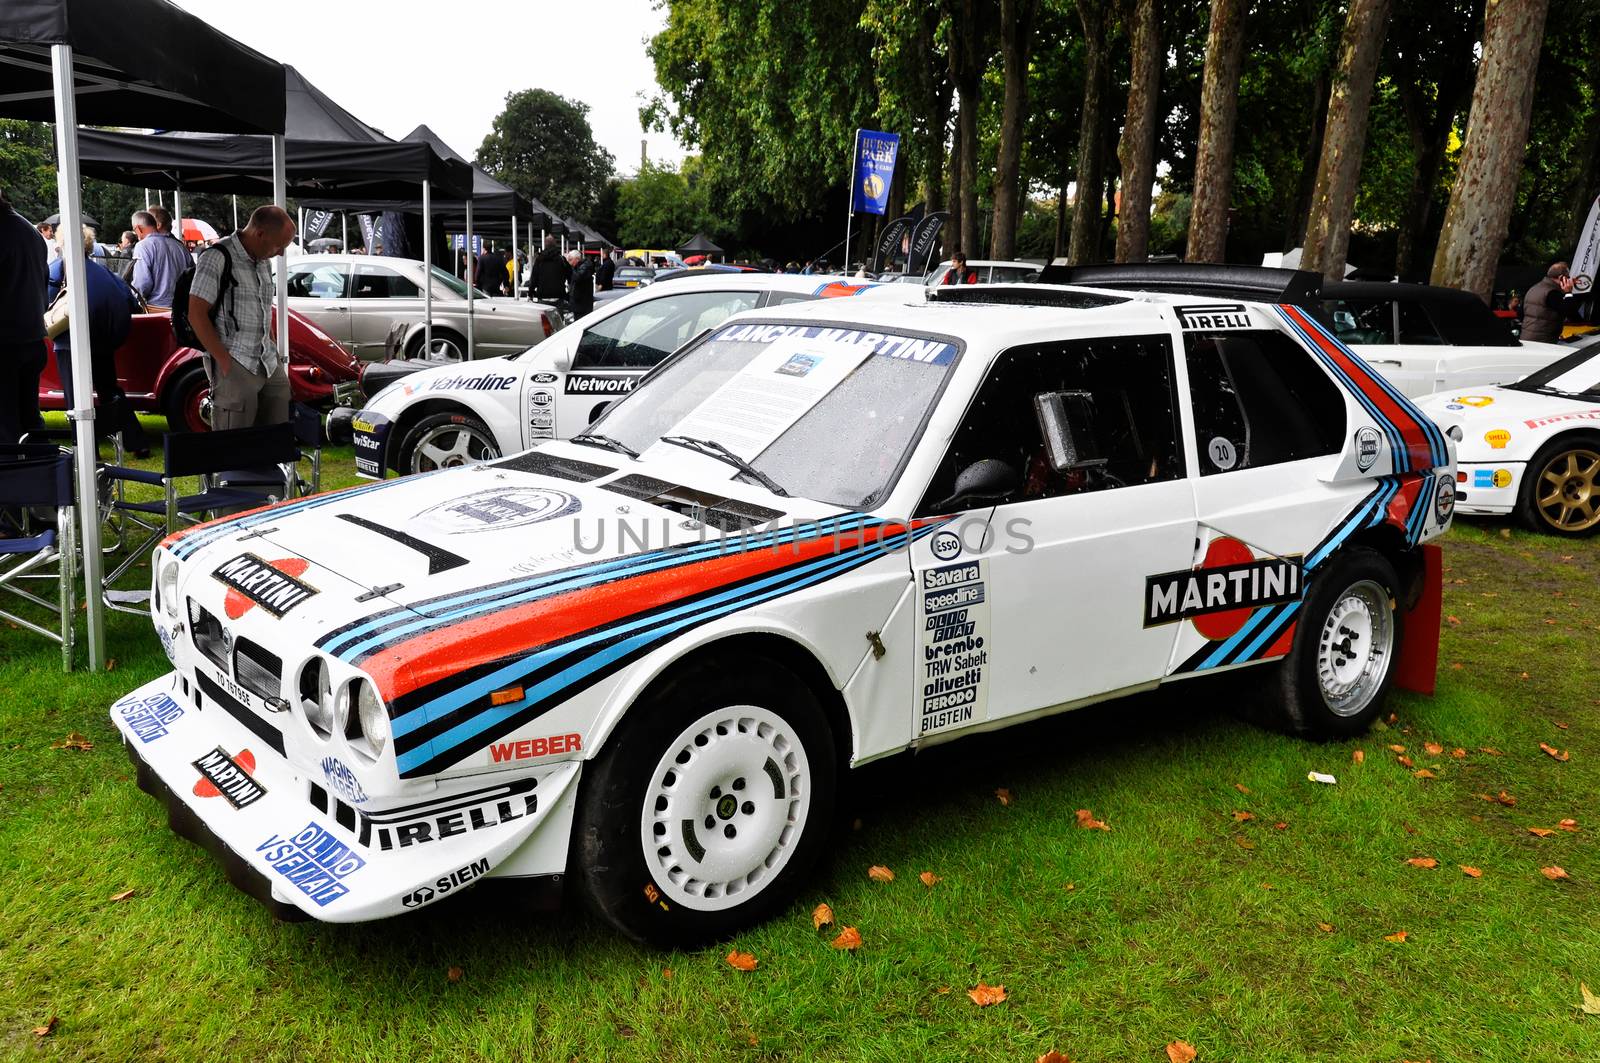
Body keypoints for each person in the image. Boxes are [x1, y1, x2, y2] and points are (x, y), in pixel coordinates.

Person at [188, 205, 298, 430]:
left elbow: (265, 309)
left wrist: (272, 348)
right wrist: (224, 362)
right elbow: (196, 314)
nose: (281, 253)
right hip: (235, 357)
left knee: (276, 431)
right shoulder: (217, 257)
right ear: (260, 234)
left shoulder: (264, 262)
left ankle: (272, 466)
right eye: (279, 245)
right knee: (234, 444)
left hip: (266, 359)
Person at [49, 225, 149, 455]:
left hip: (70, 342)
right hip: (104, 342)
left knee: (75, 399)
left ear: (62, 243)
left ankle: (85, 449)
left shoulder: (58, 270)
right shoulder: (104, 273)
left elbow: (47, 303)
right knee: (109, 391)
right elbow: (131, 302)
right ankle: (136, 441)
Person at [1, 188, 48, 448]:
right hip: (30, 337)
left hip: (6, 342)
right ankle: (42, 478)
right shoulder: (29, 230)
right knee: (30, 421)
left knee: (7, 427)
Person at [130, 208, 189, 308]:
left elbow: (142, 284)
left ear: (138, 229)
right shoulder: (181, 247)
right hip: (182, 308)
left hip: (157, 309)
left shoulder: (142, 246)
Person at [1519, 261, 1576, 344]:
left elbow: (1520, 313)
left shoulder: (1534, 288)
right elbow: (1569, 311)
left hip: (1526, 337)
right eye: (1567, 277)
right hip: (1544, 340)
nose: (1568, 280)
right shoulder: (1552, 292)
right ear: (1561, 278)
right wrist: (1568, 293)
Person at [533, 236, 571, 305]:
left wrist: (530, 293)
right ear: (555, 244)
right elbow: (570, 275)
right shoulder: (561, 259)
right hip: (559, 295)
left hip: (542, 295)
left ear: (545, 244)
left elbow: (534, 277)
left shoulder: (539, 259)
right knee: (558, 315)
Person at [567, 250, 595, 318]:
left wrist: (571, 269)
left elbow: (577, 278)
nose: (569, 263)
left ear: (577, 259)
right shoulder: (580, 267)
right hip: (580, 303)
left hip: (582, 303)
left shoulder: (584, 267)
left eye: (570, 260)